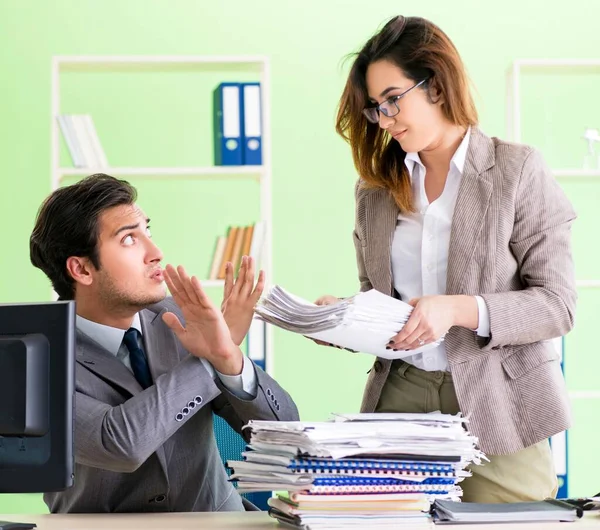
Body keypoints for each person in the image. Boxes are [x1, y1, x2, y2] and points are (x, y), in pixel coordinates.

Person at [314, 15, 577, 503]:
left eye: (393, 99)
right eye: (375, 108)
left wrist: (455, 308)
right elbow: (385, 302)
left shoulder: (516, 171)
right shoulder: (374, 192)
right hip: (400, 394)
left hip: (498, 397)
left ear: (435, 84)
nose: (385, 118)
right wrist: (345, 318)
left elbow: (558, 305)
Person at [30, 173, 299, 513]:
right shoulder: (35, 358)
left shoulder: (181, 316)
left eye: (149, 232)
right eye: (129, 240)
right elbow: (119, 443)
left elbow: (284, 439)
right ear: (82, 269)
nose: (155, 253)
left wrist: (230, 358)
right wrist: (212, 354)